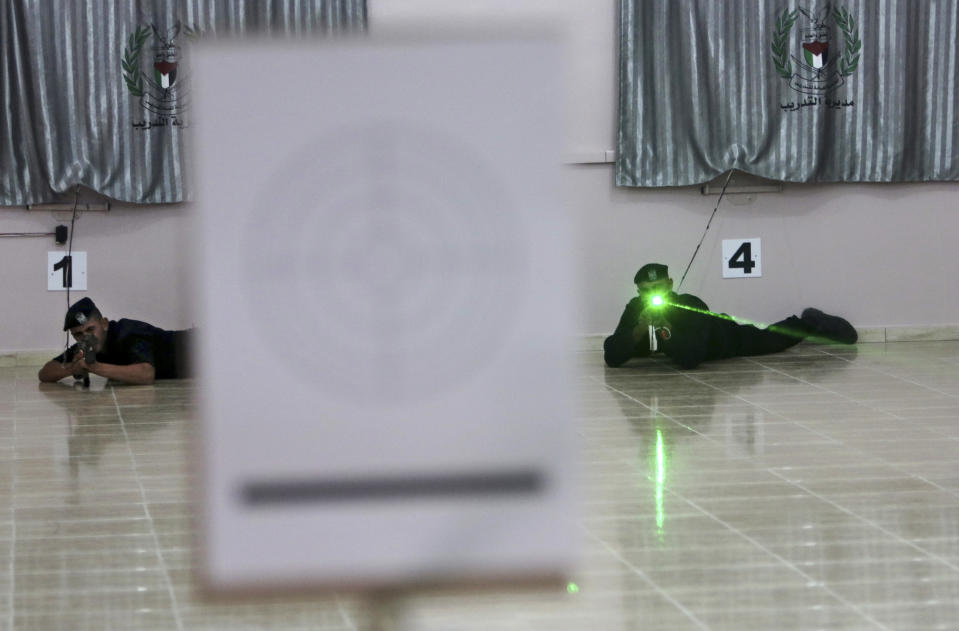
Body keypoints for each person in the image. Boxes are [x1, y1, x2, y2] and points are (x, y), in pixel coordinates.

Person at [604, 263, 857, 369]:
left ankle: (809, 322)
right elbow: (612, 356)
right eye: (646, 292)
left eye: (658, 288)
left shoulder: (689, 304)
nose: (652, 296)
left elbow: (690, 358)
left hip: (724, 338)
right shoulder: (635, 308)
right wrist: (638, 329)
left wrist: (665, 327)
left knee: (771, 339)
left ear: (670, 284)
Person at [38, 297, 194, 385]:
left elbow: (146, 374)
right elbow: (45, 374)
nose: (85, 337)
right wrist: (73, 368)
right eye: (78, 334)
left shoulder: (128, 333)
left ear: (104, 324)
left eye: (90, 330)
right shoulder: (87, 345)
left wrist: (94, 367)